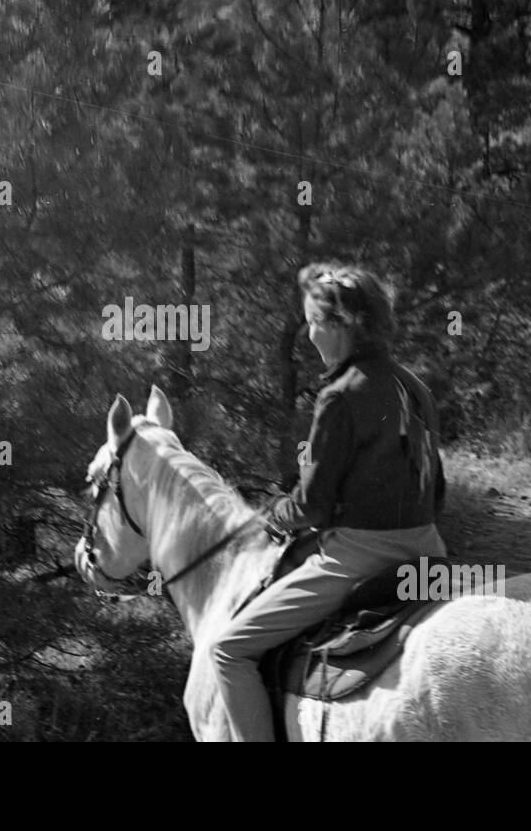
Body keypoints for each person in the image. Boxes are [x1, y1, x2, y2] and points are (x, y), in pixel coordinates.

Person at [209, 262, 449, 742]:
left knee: (227, 652)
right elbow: (436, 490)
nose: (308, 335)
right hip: (430, 551)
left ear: (343, 325)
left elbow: (312, 506)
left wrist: (271, 516)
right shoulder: (414, 386)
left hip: (357, 559)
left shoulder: (340, 395)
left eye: (314, 322)